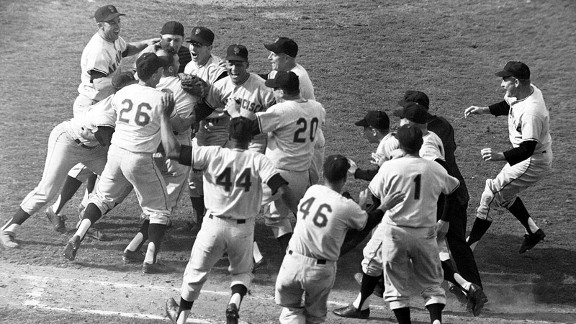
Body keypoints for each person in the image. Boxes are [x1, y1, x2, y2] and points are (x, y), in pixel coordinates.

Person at [164, 117, 299, 324]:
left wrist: (165, 116)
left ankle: (181, 318)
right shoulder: (259, 160)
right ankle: (233, 304)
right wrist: (301, 214)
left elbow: (173, 151)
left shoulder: (212, 153)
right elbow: (282, 189)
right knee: (242, 273)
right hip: (243, 229)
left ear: (229, 136)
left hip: (213, 225)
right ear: (251, 138)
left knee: (195, 272)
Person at [46, 4, 159, 239]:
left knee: (96, 164)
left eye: (118, 21)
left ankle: (70, 211)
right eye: (112, 23)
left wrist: (151, 42)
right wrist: (133, 79)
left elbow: (128, 48)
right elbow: (100, 87)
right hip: (92, 106)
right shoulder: (97, 49)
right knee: (97, 163)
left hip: (102, 104)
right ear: (100, 26)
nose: (117, 26)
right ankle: (74, 213)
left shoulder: (114, 39)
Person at [62, 53, 176, 275]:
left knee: (102, 198)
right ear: (155, 74)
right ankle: (150, 260)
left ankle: (77, 236)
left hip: (115, 154)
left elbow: (96, 116)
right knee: (160, 209)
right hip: (140, 158)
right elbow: (169, 129)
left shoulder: (123, 92)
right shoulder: (161, 97)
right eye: (160, 71)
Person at [0, 73, 136, 248]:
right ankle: (8, 229)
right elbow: (110, 144)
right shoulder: (107, 111)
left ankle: (85, 218)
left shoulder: (126, 103)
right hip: (68, 140)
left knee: (122, 181)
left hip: (93, 147)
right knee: (46, 191)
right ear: (122, 90)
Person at [274, 154, 404, 324]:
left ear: (323, 173)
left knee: (291, 312)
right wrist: (383, 206)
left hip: (291, 264)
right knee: (314, 318)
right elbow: (364, 225)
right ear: (344, 178)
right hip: (319, 272)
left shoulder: (312, 191)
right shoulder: (346, 206)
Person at [399, 90, 484, 307]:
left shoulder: (425, 142)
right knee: (450, 245)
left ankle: (464, 287)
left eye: (406, 112)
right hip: (452, 192)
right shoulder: (442, 126)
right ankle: (470, 289)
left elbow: (440, 171)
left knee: (425, 243)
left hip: (445, 195)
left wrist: (444, 216)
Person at [225, 71, 325, 253]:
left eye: (275, 89)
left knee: (237, 208)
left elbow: (244, 131)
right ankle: (293, 256)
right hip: (301, 175)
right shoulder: (317, 107)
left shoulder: (281, 110)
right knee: (276, 218)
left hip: (276, 175)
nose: (272, 93)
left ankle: (253, 256)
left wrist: (235, 113)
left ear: (282, 92)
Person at [372, 125, 460, 324]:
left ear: (400, 145)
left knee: (395, 286)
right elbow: (454, 189)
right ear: (421, 144)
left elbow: (375, 196)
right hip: (424, 234)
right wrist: (444, 219)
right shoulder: (434, 168)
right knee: (432, 283)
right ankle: (436, 321)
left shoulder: (389, 167)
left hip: (395, 233)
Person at [464, 61, 552, 254]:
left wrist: (499, 156)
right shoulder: (524, 91)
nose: (502, 84)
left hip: (533, 160)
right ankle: (533, 232)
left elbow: (527, 149)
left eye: (505, 80)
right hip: (528, 156)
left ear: (517, 82)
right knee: (504, 194)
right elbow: (508, 105)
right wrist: (483, 109)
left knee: (491, 195)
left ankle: (468, 248)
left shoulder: (532, 112)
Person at [121, 48, 199, 263]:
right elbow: (181, 123)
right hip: (175, 151)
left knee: (153, 205)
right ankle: (147, 256)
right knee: (163, 208)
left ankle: (133, 247)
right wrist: (200, 110)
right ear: (173, 67)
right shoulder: (185, 86)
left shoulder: (145, 86)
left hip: (151, 151)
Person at [182, 26, 228, 228]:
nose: (193, 48)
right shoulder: (189, 67)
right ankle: (198, 219)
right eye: (191, 43)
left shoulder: (219, 71)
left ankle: (216, 220)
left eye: (198, 45)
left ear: (209, 48)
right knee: (194, 176)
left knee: (214, 176)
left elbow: (217, 102)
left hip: (220, 127)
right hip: (200, 125)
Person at [263, 37, 325, 184]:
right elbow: (266, 79)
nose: (269, 57)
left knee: (305, 192)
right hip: (296, 140)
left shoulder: (297, 78)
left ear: (286, 58)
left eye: (274, 54)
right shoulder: (283, 72)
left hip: (307, 142)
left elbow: (300, 114)